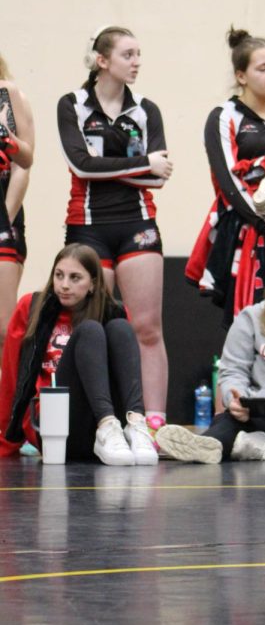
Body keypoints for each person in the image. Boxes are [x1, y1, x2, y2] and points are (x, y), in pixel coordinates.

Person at [57, 26, 173, 437]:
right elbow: (81, 166)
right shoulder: (72, 104)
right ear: (102, 61)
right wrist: (144, 163)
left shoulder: (147, 109)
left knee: (146, 327)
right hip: (87, 227)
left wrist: (115, 168)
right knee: (93, 326)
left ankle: (153, 423)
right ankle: (100, 420)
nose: (137, 61)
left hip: (137, 226)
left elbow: (160, 179)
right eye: (128, 54)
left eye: (139, 54)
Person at [0, 244, 157, 465]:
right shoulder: (31, 306)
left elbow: (127, 378)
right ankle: (107, 424)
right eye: (59, 275)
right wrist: (7, 443)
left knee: (120, 327)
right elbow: (11, 376)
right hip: (53, 428)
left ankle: (136, 426)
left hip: (109, 437)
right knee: (90, 331)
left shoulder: (113, 312)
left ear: (92, 284)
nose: (64, 285)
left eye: (75, 278)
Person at [186, 28, 265, 327]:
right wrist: (263, 221)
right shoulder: (224, 115)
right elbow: (227, 180)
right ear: (241, 76)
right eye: (263, 68)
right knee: (251, 319)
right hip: (247, 228)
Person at [157, 269, 265, 464]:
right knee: (227, 422)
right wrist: (235, 400)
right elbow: (233, 371)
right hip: (257, 418)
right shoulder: (250, 318)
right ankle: (208, 445)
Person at [0, 54, 34, 353]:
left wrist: (6, 217)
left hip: (4, 211)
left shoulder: (9, 94)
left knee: (2, 327)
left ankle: (11, 399)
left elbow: (24, 163)